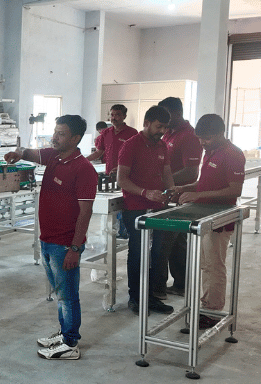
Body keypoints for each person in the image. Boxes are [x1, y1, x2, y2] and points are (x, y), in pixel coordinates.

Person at [5, 115, 97, 360]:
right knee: (59, 292)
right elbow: (28, 152)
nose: (55, 138)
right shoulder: (54, 157)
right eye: (55, 132)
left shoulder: (84, 169)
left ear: (76, 138)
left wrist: (74, 249)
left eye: (61, 134)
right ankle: (64, 332)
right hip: (48, 238)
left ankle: (70, 343)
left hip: (65, 243)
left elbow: (85, 212)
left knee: (68, 295)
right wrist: (17, 153)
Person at [173, 114, 246, 330]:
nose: (202, 142)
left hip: (220, 219)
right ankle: (206, 305)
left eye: (206, 138)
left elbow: (234, 190)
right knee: (205, 264)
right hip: (204, 217)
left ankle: (213, 311)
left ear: (220, 133)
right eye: (200, 138)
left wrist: (198, 195)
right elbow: (204, 183)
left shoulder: (233, 154)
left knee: (214, 265)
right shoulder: (210, 152)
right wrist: (185, 188)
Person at [116, 105, 175, 316]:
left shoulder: (162, 146)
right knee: (138, 253)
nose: (162, 132)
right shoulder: (131, 145)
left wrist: (172, 190)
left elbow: (167, 173)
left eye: (165, 128)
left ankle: (150, 297)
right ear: (146, 123)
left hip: (158, 208)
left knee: (156, 254)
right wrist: (145, 192)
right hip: (136, 208)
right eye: (159, 127)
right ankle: (135, 297)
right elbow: (122, 179)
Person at [154, 96, 203, 299]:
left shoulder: (189, 136)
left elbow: (191, 172)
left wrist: (163, 182)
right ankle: (181, 284)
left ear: (177, 113)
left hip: (177, 197)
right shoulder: (168, 133)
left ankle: (157, 289)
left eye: (166, 115)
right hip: (168, 196)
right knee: (176, 244)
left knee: (163, 243)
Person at [87, 104, 137, 238]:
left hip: (127, 177)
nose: (114, 118)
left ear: (124, 116)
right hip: (110, 176)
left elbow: (137, 156)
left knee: (124, 205)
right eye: (112, 115)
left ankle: (124, 232)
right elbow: (99, 152)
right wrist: (84, 160)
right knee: (110, 208)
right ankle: (111, 234)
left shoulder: (132, 133)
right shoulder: (106, 133)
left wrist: (121, 168)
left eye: (118, 115)